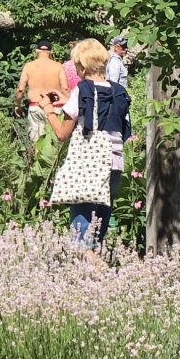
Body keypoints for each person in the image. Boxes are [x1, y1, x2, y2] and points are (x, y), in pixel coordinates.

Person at [46, 39, 131, 247]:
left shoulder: (82, 90)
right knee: (98, 232)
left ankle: (98, 271)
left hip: (89, 165)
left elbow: (62, 134)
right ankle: (99, 272)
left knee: (82, 239)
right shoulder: (119, 92)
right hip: (114, 163)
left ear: (82, 67)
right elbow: (120, 126)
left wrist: (48, 110)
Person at [14, 42, 66, 149]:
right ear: (50, 52)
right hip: (54, 107)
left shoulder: (29, 66)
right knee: (54, 143)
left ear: (36, 52)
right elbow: (65, 88)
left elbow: (20, 90)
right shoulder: (58, 66)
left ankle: (36, 163)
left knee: (36, 142)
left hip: (36, 106)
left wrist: (18, 105)